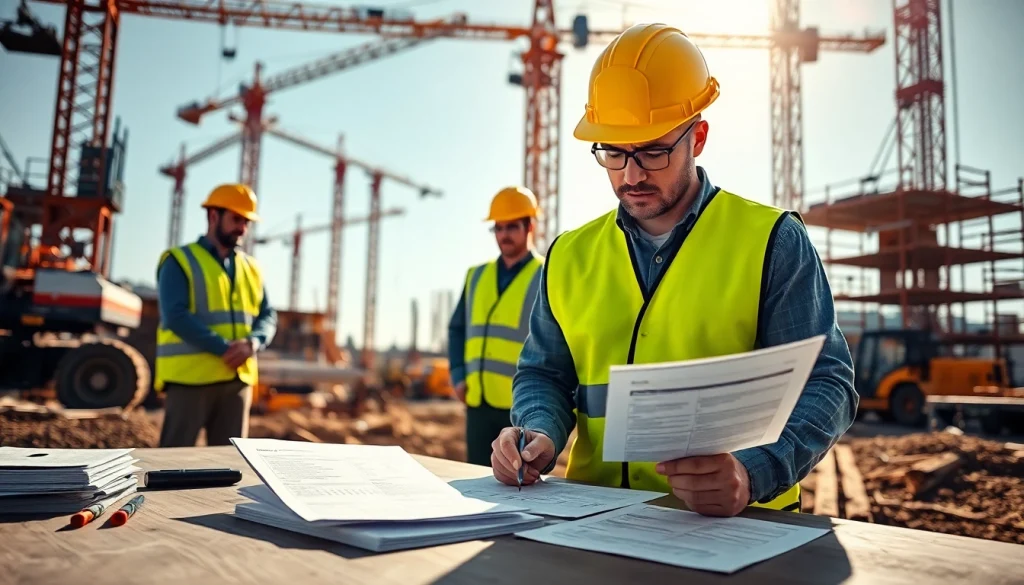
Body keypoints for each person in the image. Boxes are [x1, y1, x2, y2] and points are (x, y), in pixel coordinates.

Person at [490, 23, 858, 517]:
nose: (631, 174)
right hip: (595, 524)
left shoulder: (771, 241)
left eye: (653, 151)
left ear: (698, 137)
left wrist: (755, 471)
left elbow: (828, 382)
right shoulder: (569, 255)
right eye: (614, 152)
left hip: (739, 530)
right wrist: (538, 431)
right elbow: (544, 374)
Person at [154, 183, 277, 447]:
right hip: (190, 380)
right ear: (213, 216)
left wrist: (254, 343)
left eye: (246, 221)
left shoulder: (251, 267)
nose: (242, 228)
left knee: (231, 467)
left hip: (237, 382)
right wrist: (224, 349)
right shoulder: (179, 260)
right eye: (236, 219)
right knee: (172, 464)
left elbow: (267, 314)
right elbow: (175, 315)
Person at [448, 186, 544, 466]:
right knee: (475, 479)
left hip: (520, 404)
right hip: (477, 401)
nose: (504, 235)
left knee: (517, 482)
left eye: (512, 227)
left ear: (530, 227)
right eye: (498, 228)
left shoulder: (545, 275)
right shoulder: (476, 276)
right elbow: (457, 329)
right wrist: (457, 375)